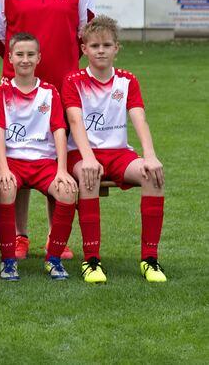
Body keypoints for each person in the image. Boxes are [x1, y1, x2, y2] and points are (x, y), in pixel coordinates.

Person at [0, 0, 94, 261]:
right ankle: (20, 236)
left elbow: (85, 31)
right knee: (17, 156)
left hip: (63, 87)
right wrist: (21, 66)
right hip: (16, 88)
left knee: (53, 157)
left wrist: (60, 67)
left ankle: (54, 237)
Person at [62, 16, 166, 284]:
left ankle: (150, 260)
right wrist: (88, 158)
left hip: (119, 153)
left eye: (106, 45)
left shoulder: (127, 81)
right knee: (89, 176)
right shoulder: (73, 80)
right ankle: (91, 260)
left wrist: (150, 155)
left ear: (116, 48)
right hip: (82, 153)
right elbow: (74, 121)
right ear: (84, 49)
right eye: (94, 45)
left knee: (152, 176)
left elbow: (139, 117)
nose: (100, 50)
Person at [0, 32, 78, 281]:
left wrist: (62, 170)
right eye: (19, 54)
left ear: (39, 57)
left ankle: (54, 259)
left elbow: (59, 131)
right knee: (5, 189)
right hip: (13, 161)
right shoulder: (1, 92)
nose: (25, 59)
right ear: (10, 58)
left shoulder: (49, 92)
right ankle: (8, 261)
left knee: (67, 191)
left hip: (44, 162)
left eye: (30, 54)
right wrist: (4, 168)